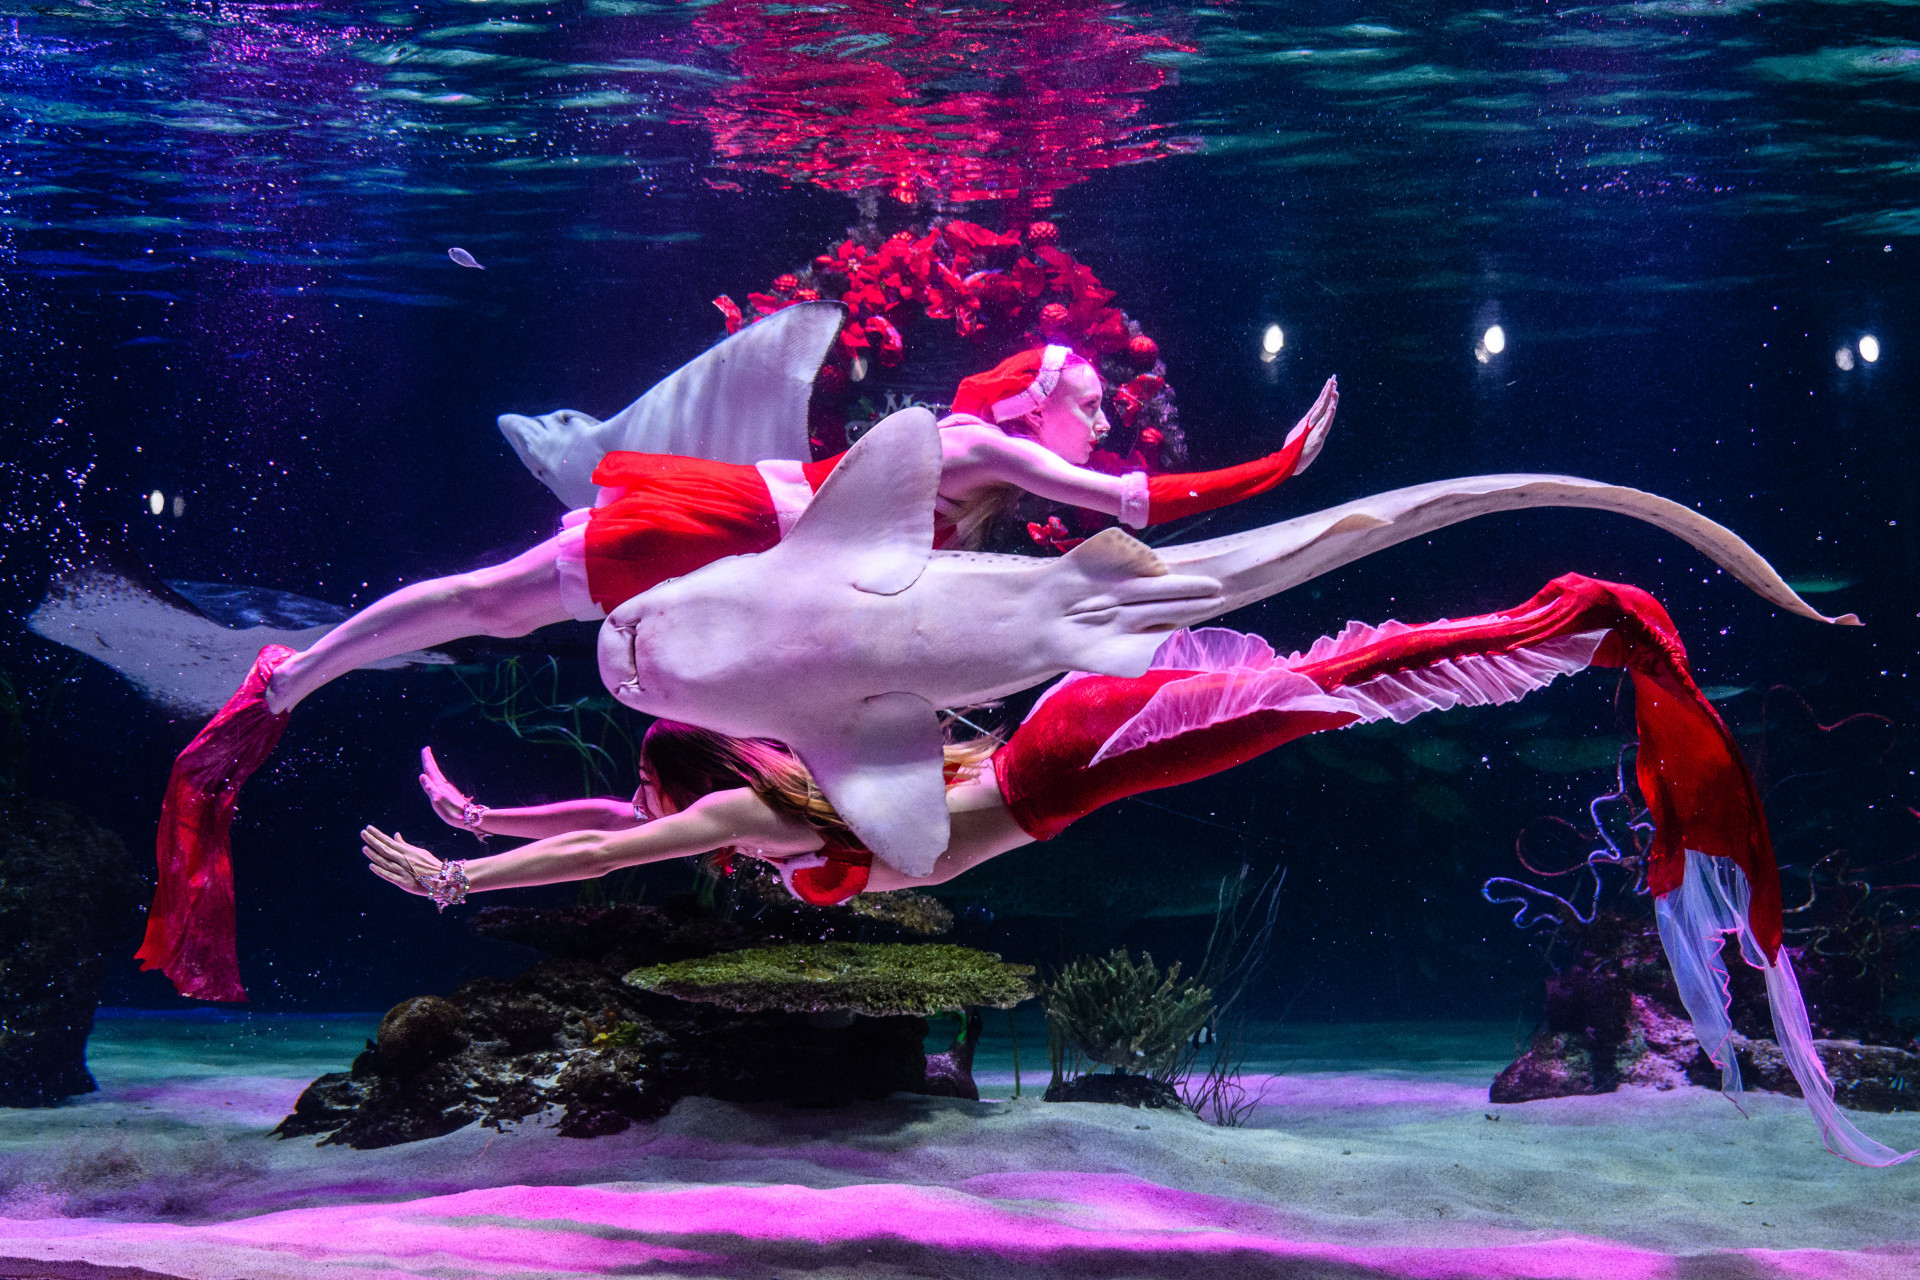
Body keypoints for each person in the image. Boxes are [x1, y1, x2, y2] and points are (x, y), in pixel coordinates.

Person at [364, 571, 1913, 1168]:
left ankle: (1588, 623)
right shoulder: (797, 797)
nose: (665, 817)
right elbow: (604, 816)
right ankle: (1575, 627)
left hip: (1070, 763)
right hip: (1060, 745)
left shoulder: (763, 824)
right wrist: (488, 821)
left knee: (1323, 686)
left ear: (698, 793)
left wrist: (456, 881)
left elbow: (626, 835)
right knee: (1322, 677)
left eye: (664, 796)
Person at [141, 347, 1338, 1003]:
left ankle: (301, 673)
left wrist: (489, 830)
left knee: (485, 603)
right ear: (1036, 396)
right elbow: (1132, 503)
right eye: (1087, 403)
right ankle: (298, 671)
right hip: (743, 543)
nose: (1097, 422)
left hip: (746, 548)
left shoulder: (972, 479)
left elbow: (636, 824)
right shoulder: (981, 443)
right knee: (485, 605)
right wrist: (1274, 465)